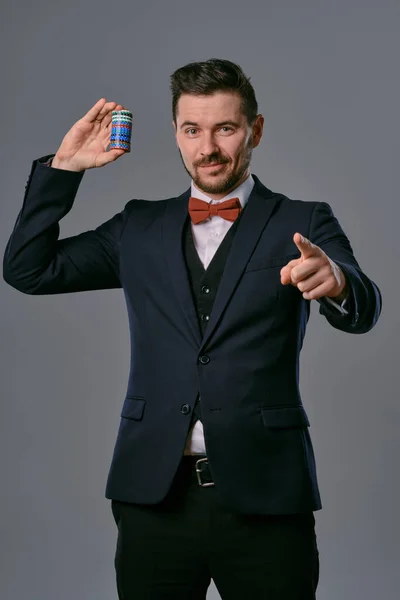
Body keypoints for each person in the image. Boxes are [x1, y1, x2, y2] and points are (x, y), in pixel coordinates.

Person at [3, 58, 382, 599]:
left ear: (255, 130)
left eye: (225, 128)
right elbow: (26, 270)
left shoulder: (305, 220)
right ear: (177, 135)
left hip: (268, 495)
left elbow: (366, 309)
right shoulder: (137, 226)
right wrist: (65, 169)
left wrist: (339, 282)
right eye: (192, 130)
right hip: (153, 496)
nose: (207, 147)